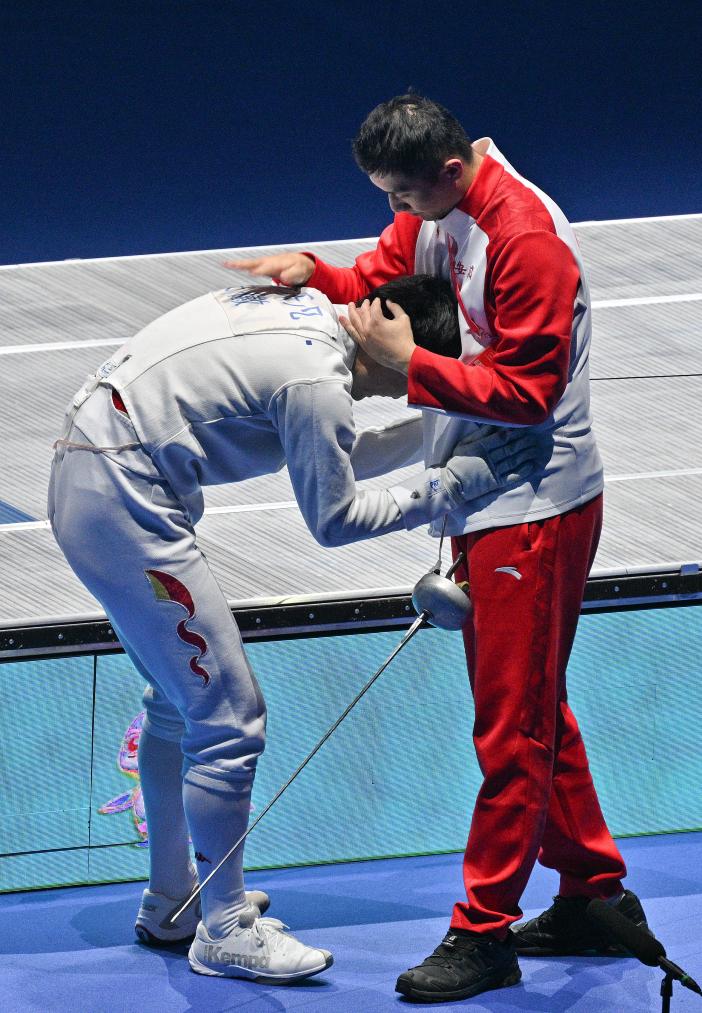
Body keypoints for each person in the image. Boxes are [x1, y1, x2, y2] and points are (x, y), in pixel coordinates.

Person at [227, 94, 651, 1003]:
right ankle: (593, 894)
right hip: (480, 490)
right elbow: (378, 274)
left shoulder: (526, 240)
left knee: (512, 729)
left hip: (535, 506)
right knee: (533, 706)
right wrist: (313, 273)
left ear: (451, 171)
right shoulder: (434, 209)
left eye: (406, 194)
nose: (398, 210)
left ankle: (483, 931)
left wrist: (407, 365)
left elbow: (529, 393)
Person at [48, 275, 539, 986]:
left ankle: (171, 900)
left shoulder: (313, 321)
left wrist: (438, 434)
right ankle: (224, 929)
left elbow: (328, 450)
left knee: (177, 706)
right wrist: (456, 484)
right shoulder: (316, 380)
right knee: (229, 721)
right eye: (430, 375)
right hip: (123, 501)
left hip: (90, 471)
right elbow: (336, 518)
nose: (424, 387)